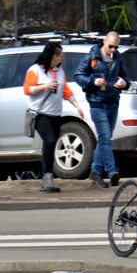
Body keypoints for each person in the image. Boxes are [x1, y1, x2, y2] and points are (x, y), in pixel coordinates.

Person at [23, 42, 86, 194]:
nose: (62, 58)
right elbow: (27, 89)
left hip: (55, 114)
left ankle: (47, 178)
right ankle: (47, 179)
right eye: (61, 56)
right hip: (40, 113)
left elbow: (65, 90)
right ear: (53, 56)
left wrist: (77, 106)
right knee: (50, 142)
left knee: (51, 144)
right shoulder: (35, 70)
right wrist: (44, 86)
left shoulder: (59, 71)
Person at [74, 31, 128, 188]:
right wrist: (93, 80)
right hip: (97, 103)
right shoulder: (92, 56)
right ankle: (112, 171)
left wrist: (124, 83)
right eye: (110, 46)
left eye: (116, 48)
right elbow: (78, 76)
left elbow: (126, 77)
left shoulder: (118, 58)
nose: (113, 50)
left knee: (106, 138)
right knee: (105, 137)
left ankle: (96, 171)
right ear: (104, 41)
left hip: (113, 101)